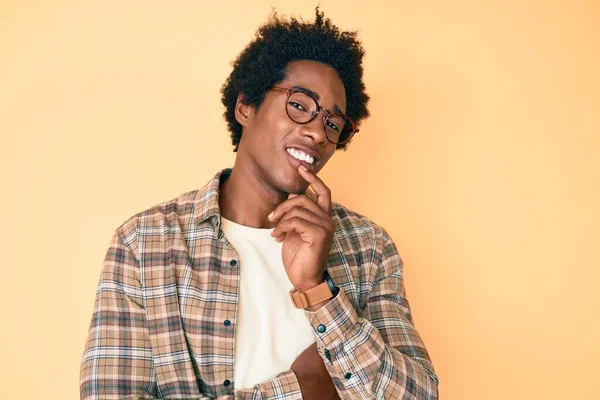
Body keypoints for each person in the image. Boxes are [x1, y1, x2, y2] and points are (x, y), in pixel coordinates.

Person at [80, 8, 438, 400]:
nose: (318, 132)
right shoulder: (145, 244)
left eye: (334, 124)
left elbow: (419, 395)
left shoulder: (368, 247)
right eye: (300, 105)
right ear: (245, 107)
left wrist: (318, 292)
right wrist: (301, 390)